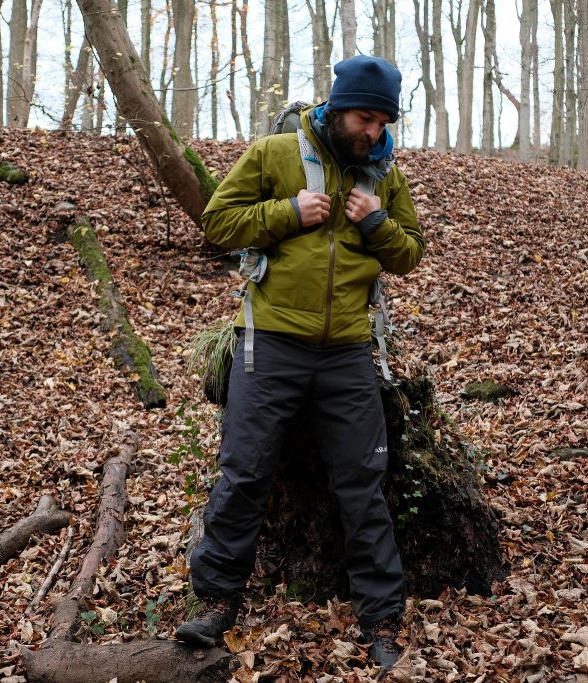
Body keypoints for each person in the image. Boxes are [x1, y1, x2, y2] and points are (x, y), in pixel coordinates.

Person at [175, 55, 425, 670]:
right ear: (339, 109)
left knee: (363, 484)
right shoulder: (274, 153)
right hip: (272, 342)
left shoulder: (383, 172)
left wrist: (378, 225)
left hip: (346, 351)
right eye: (366, 117)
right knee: (244, 472)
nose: (374, 131)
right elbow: (217, 223)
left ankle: (381, 620)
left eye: (383, 121)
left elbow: (410, 254)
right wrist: (287, 214)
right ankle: (215, 603)